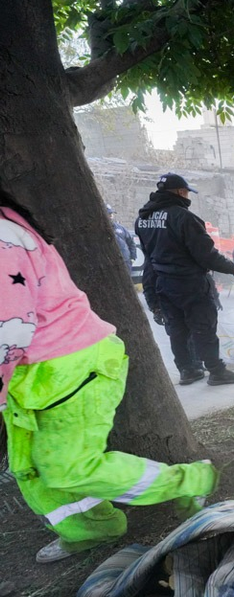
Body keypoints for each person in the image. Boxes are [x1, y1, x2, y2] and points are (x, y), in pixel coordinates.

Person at [0, 188, 218, 564]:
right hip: (37, 371)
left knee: (68, 466)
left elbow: (9, 326)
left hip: (63, 364)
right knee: (35, 465)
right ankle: (91, 527)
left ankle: (189, 480)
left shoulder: (4, 237)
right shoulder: (176, 217)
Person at [136, 173, 234, 386]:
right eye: (186, 192)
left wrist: (152, 295)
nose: (188, 196)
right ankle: (216, 371)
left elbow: (148, 258)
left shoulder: (143, 219)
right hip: (190, 283)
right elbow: (206, 255)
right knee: (203, 327)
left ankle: (188, 370)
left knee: (177, 329)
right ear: (179, 192)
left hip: (163, 283)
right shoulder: (184, 217)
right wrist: (233, 268)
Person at [107, 205, 137, 269]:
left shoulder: (121, 228)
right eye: (108, 213)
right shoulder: (99, 230)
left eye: (111, 213)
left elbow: (131, 243)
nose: (111, 215)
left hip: (125, 262)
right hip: (109, 264)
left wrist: (132, 258)